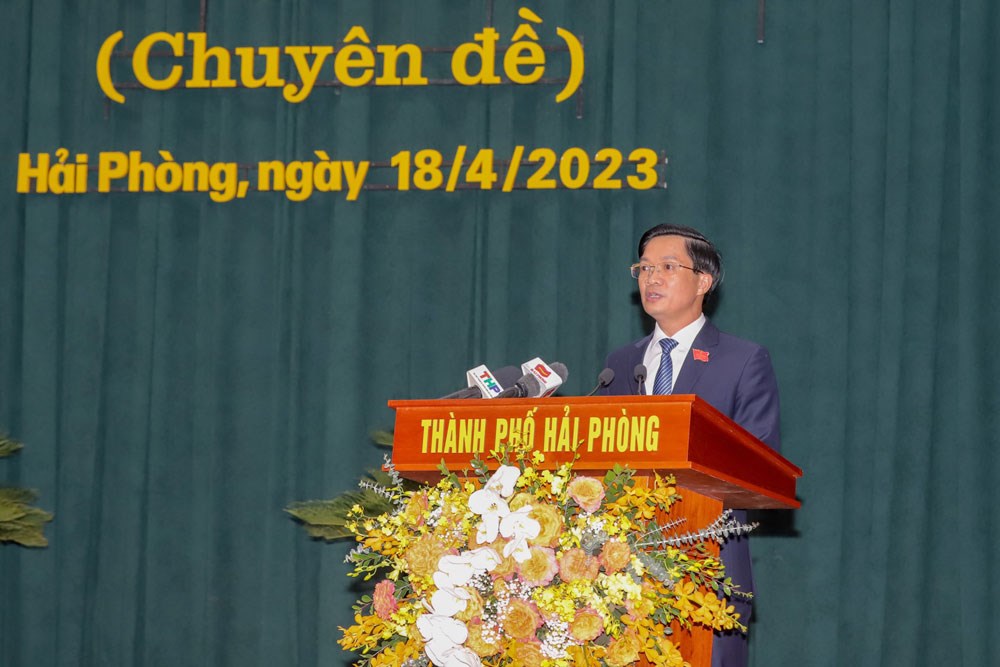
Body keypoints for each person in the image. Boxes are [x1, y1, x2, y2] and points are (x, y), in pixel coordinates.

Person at [602, 223, 781, 667]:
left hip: (707, 568)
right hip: (620, 572)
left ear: (704, 281)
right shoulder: (620, 364)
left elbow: (760, 460)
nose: (651, 278)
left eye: (667, 267)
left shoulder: (742, 360)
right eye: (644, 268)